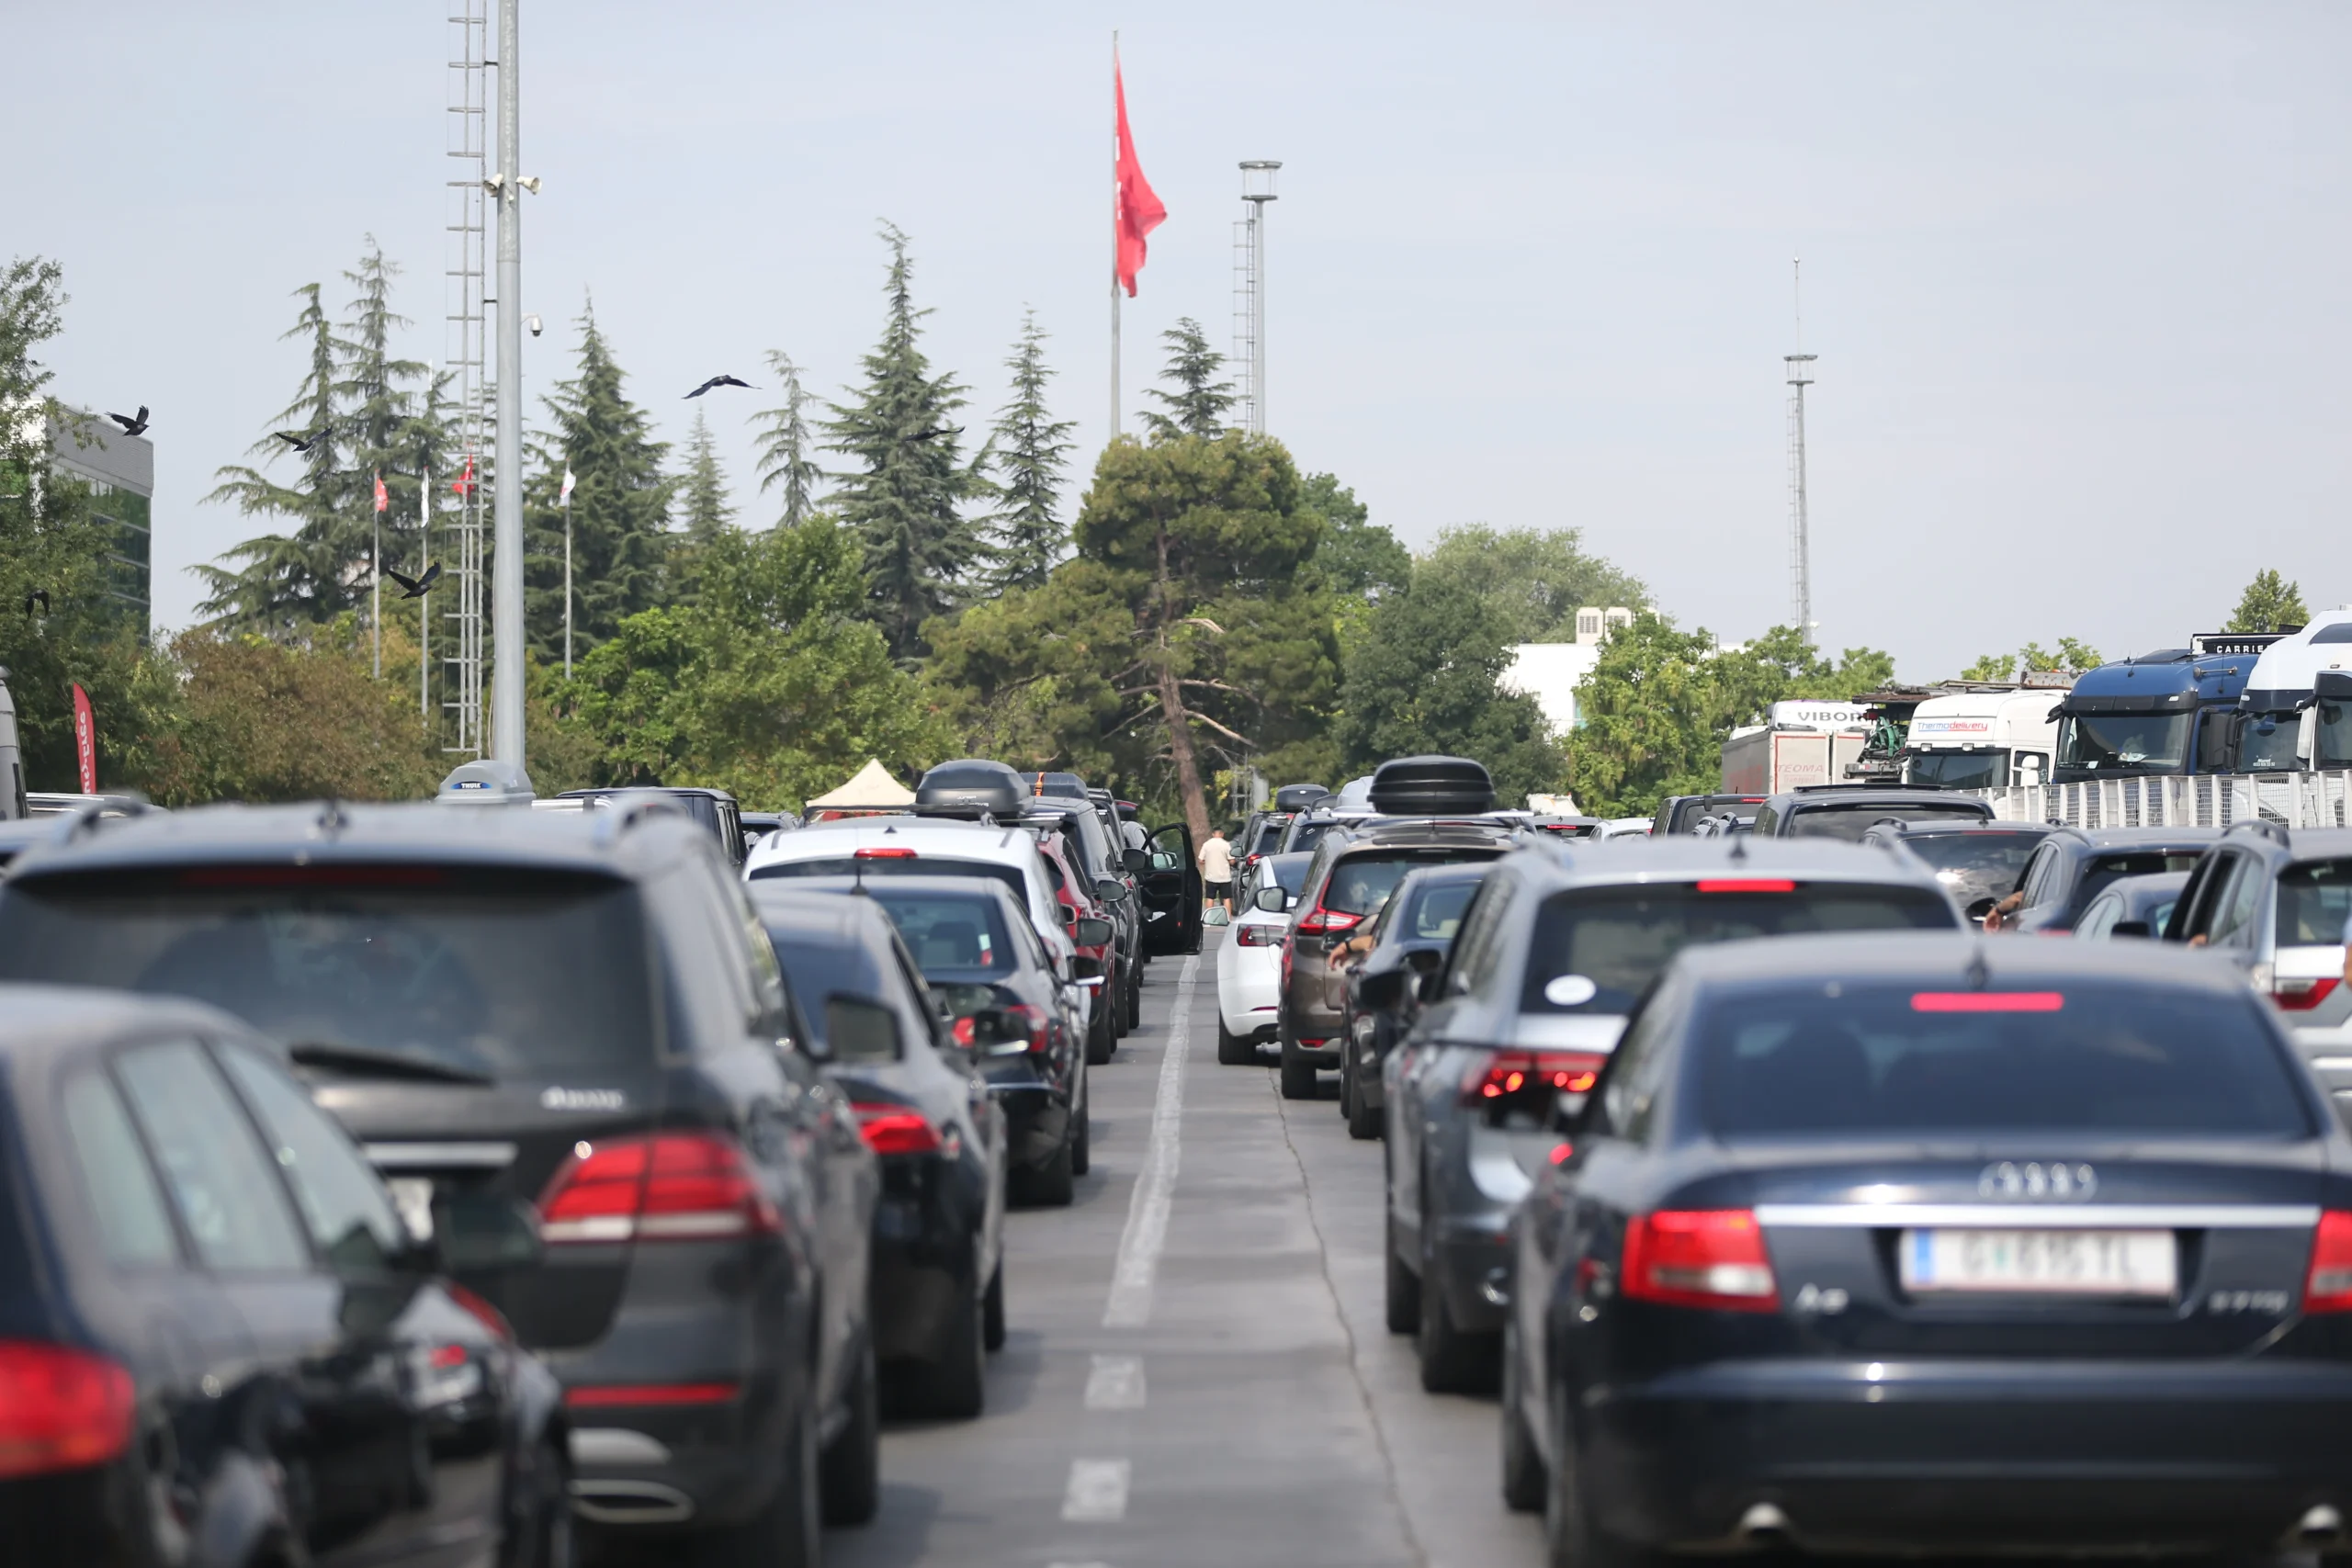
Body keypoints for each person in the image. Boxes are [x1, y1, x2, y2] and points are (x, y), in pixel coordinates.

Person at [1198, 828, 1235, 919]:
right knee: (1226, 898)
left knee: (1210, 897)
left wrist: (1208, 861)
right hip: (1225, 877)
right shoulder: (1226, 845)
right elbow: (1232, 861)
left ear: (1213, 834)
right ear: (1222, 834)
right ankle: (1228, 918)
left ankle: (1209, 918)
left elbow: (1201, 860)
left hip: (1211, 876)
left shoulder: (1206, 844)